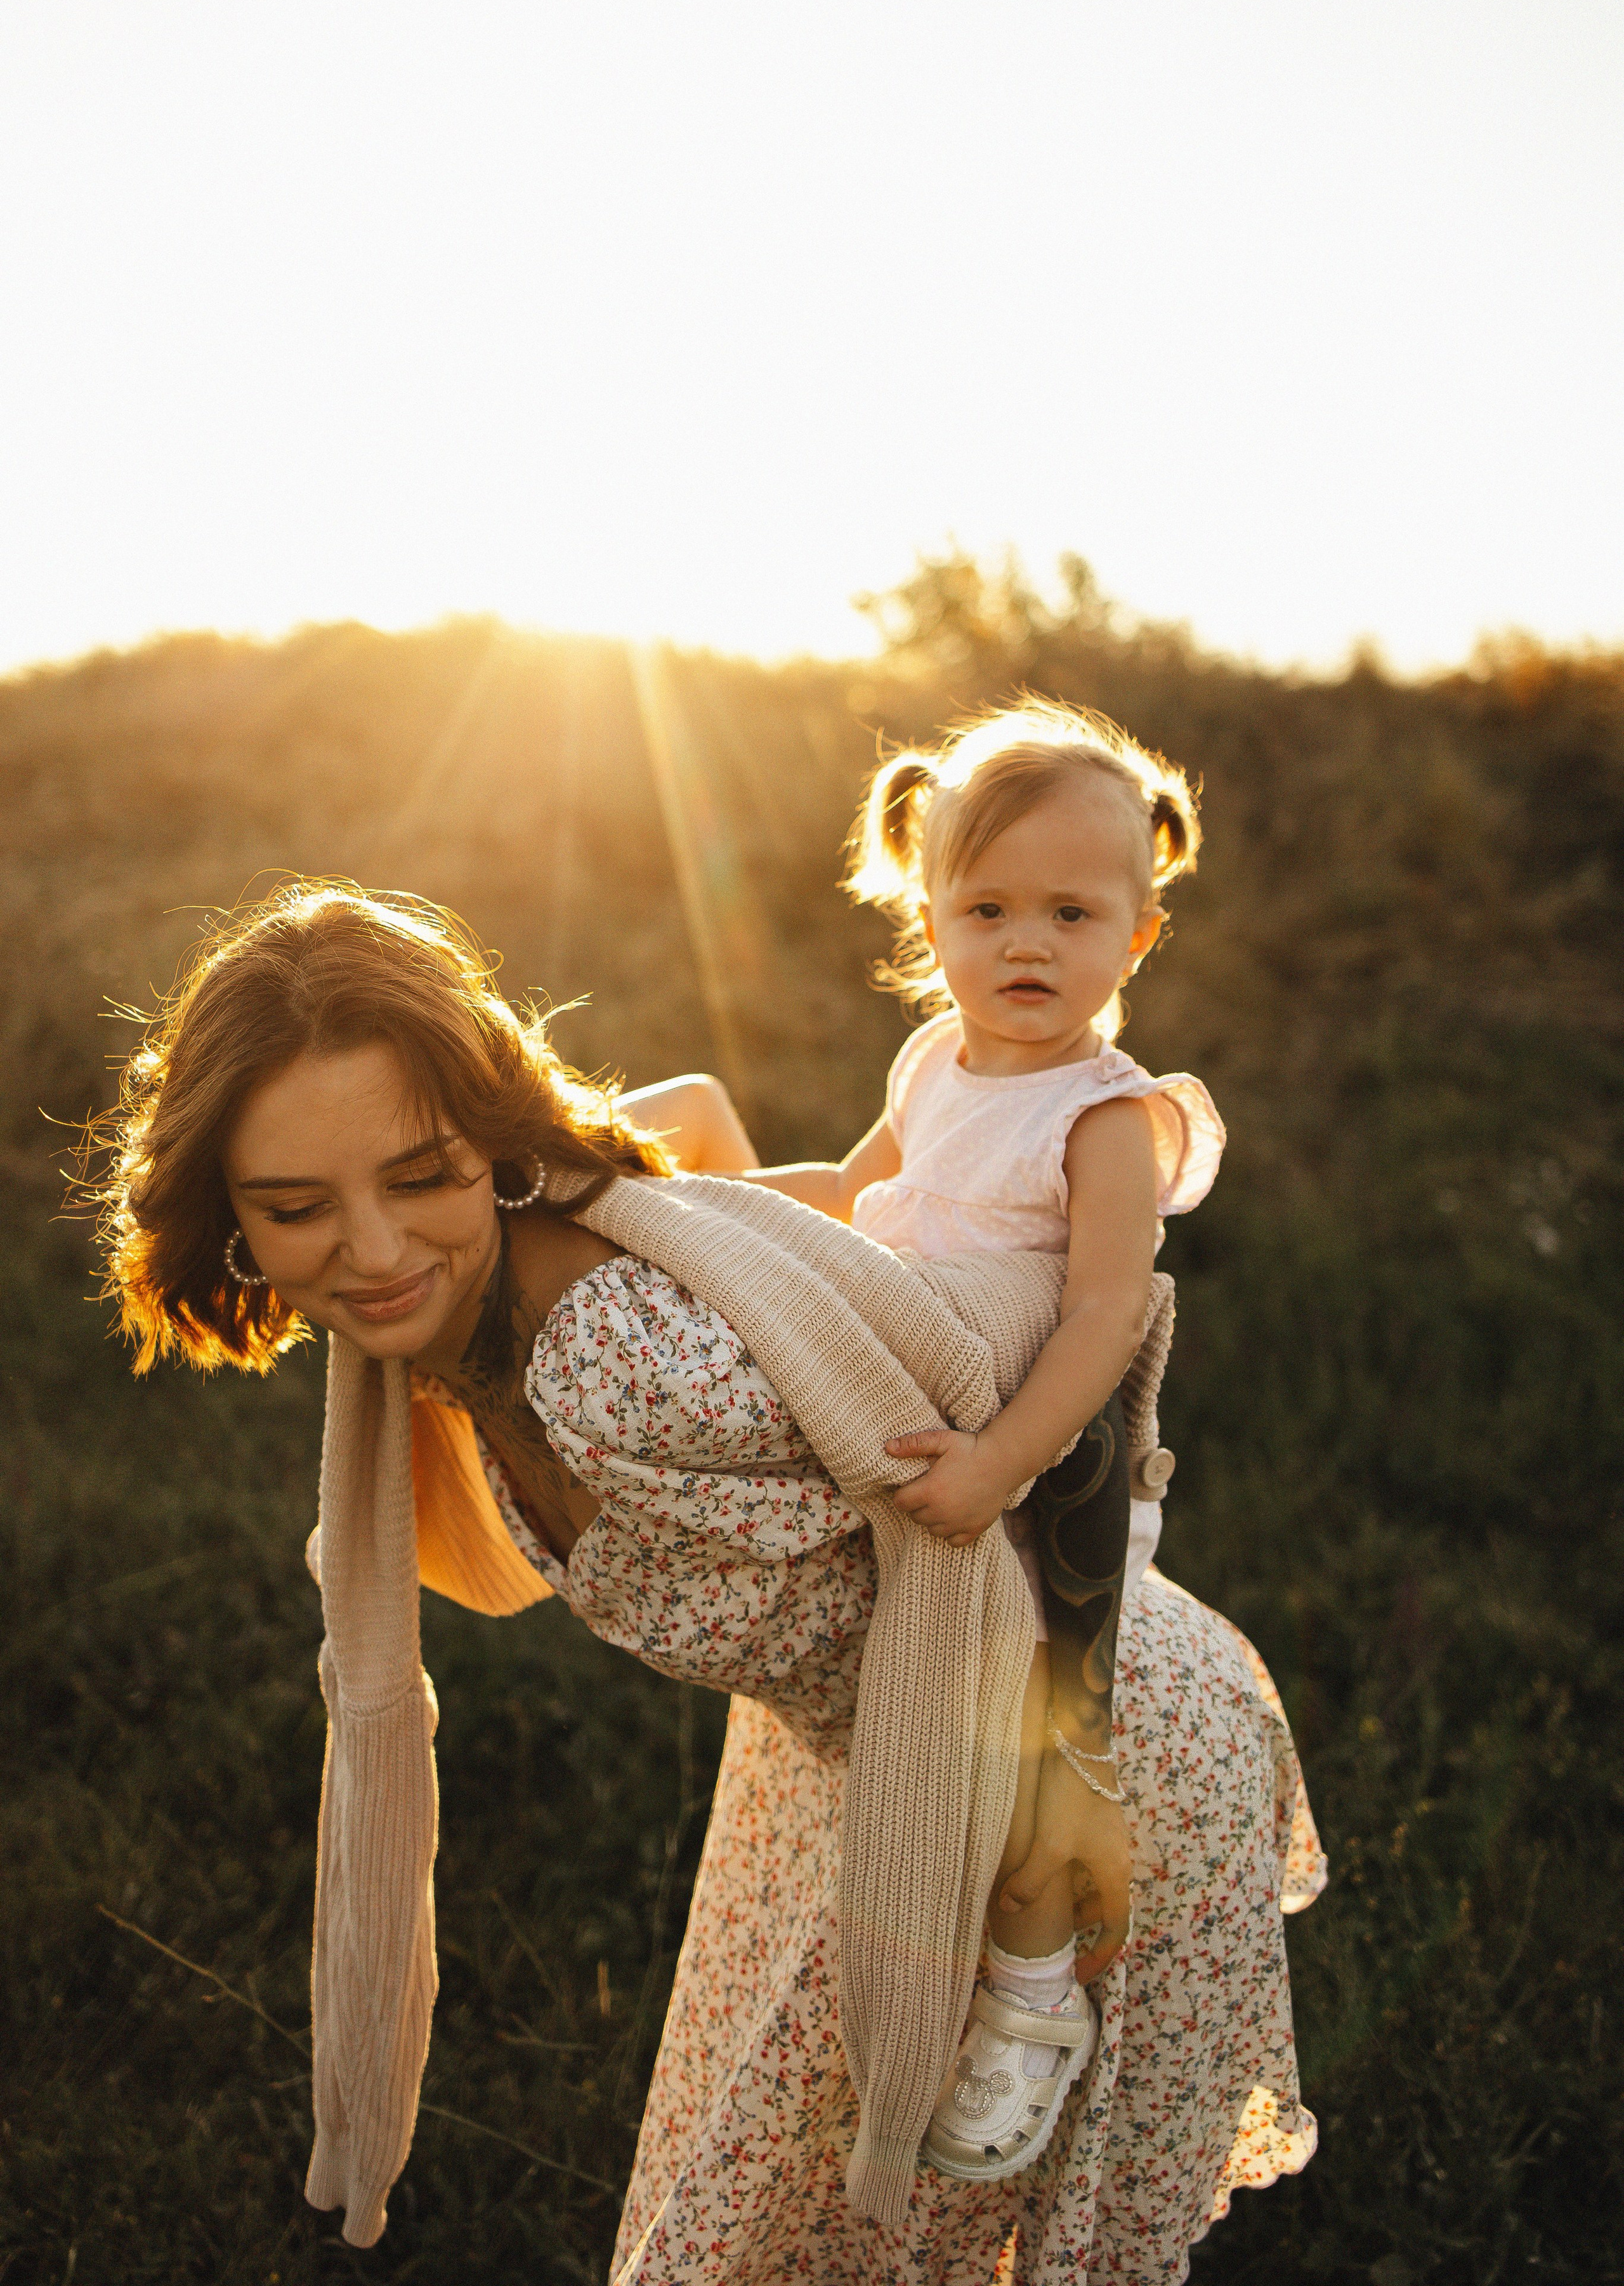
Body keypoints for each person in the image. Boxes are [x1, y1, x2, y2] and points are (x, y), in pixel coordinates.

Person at [94, 881, 1325, 2283]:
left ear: (496, 1148)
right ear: (227, 1216)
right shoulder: (463, 1308)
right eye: (298, 1206)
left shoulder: (623, 1366)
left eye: (420, 1176)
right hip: (851, 1759)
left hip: (1053, 1751)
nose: (373, 1255)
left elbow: (1023, 1435)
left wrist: (1061, 1819)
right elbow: (703, 1156)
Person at [687, 695, 1229, 2181]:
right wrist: (698, 1209)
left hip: (1051, 1461)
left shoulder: (1108, 1120)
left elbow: (1107, 1318)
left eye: (1070, 910)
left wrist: (1000, 1468)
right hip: (919, 1403)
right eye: (985, 908)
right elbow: (854, 1189)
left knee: (1047, 1732)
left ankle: (1034, 1997)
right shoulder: (933, 1061)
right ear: (927, 917)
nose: (1026, 944)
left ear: (1137, 931)